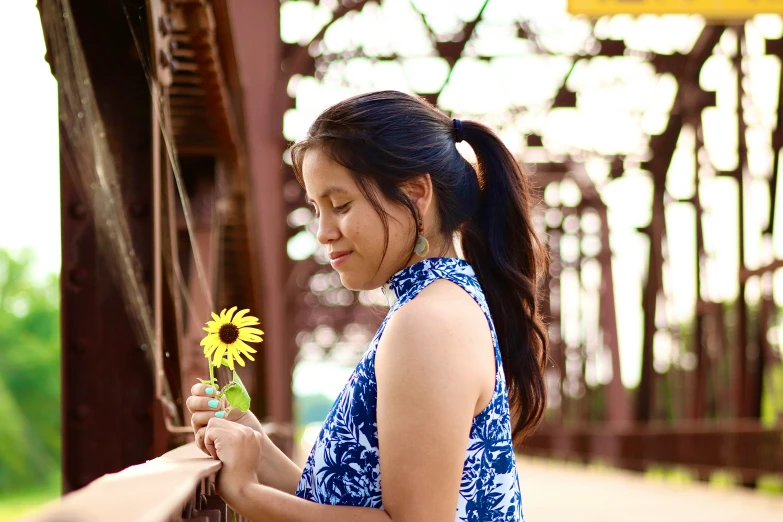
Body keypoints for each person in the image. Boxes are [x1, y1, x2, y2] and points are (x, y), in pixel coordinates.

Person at [186, 90, 548, 521]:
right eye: (316, 209)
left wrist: (246, 493)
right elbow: (348, 504)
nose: (322, 232)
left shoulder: (428, 322)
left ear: (416, 194)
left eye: (340, 206)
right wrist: (255, 444)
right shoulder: (440, 305)